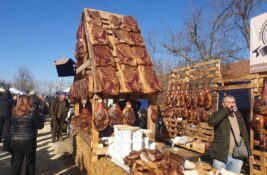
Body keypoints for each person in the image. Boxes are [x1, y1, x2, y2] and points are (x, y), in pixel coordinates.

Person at [207, 95, 254, 173]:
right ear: (223, 104)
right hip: (220, 156)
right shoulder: (218, 114)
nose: (232, 104)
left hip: (237, 156)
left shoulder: (238, 115)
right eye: (229, 102)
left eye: (233, 102)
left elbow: (245, 134)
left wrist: (250, 153)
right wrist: (226, 110)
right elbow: (212, 122)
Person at [9, 95, 44, 175]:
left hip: (15, 140)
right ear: (28, 102)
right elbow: (40, 126)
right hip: (29, 141)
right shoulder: (32, 113)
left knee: (16, 163)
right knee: (30, 163)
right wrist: (40, 116)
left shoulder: (14, 112)